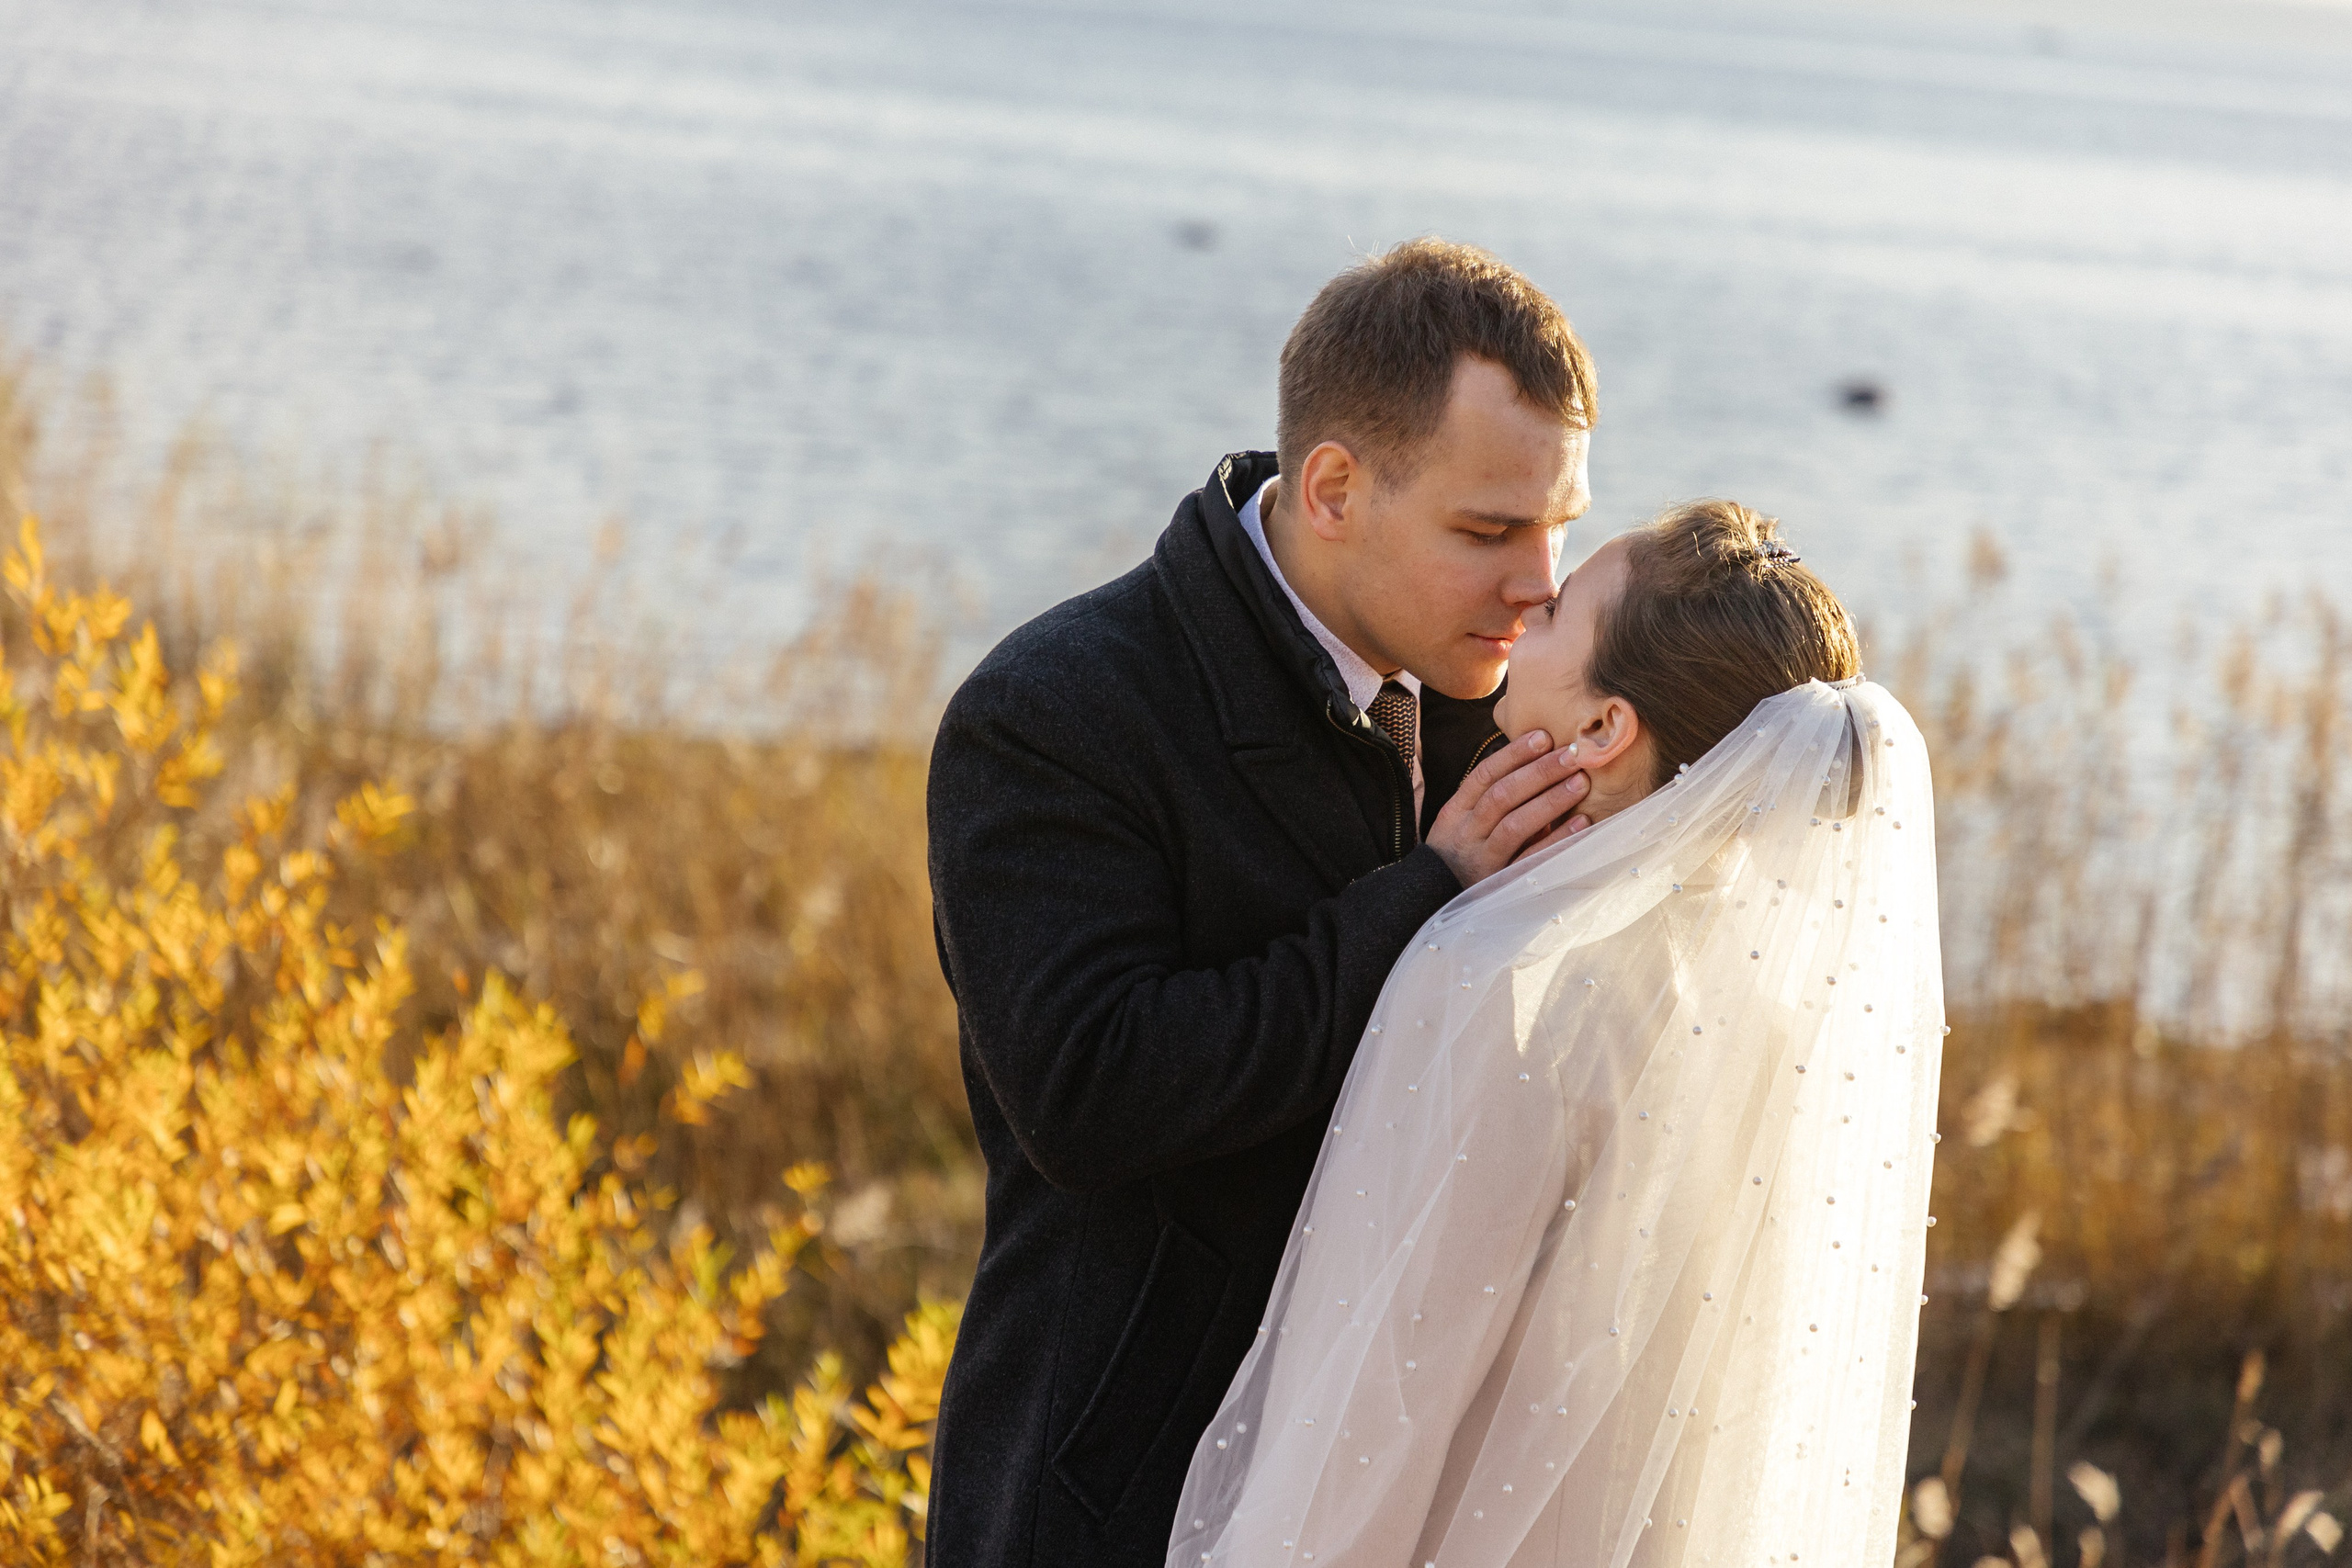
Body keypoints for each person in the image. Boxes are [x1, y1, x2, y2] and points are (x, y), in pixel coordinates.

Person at [925, 239, 1601, 1565]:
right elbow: (1092, 1088)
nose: (1542, 583)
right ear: (1337, 487)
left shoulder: (1512, 699)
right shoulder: (1055, 711)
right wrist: (1432, 888)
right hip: (1116, 1492)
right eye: (1490, 530)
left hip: (1410, 1492)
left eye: (1561, 524)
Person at [1167, 501, 1945, 1568]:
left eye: (1559, 611)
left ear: (1602, 730)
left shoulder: (1502, 981)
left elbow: (1380, 1405)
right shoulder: (1776, 1005)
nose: (1529, 599)